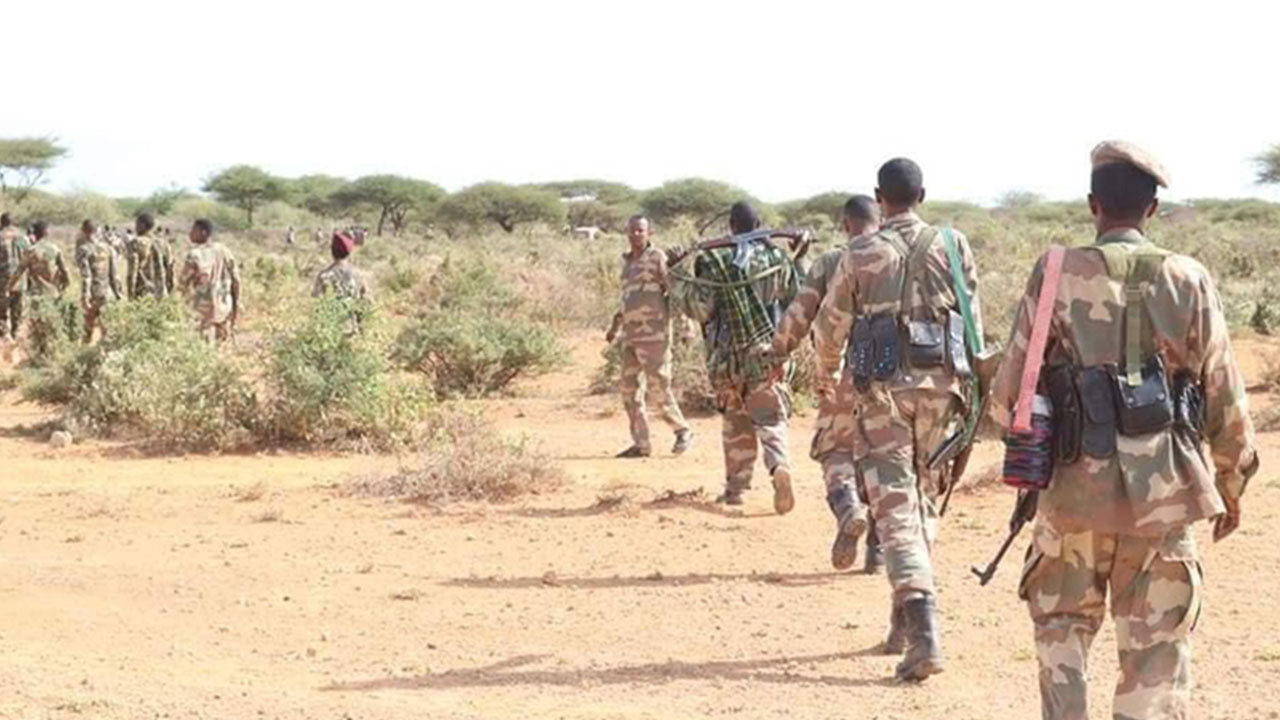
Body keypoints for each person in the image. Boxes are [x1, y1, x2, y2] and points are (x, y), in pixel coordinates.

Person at [989, 141, 1258, 720]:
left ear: (1093, 205)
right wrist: (1231, 486)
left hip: (1071, 498)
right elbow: (1225, 398)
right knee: (1155, 658)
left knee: (1061, 638)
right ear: (1153, 211)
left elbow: (1009, 394)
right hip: (1165, 499)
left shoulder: (1054, 271)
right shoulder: (1189, 278)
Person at [812, 158, 985, 681]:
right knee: (923, 502)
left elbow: (830, 326)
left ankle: (924, 631)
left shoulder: (861, 252)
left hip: (883, 396)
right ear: (922, 195)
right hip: (943, 393)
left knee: (894, 508)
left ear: (878, 197)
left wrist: (825, 379)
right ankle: (902, 624)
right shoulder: (953, 245)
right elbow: (973, 325)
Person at [772, 195, 883, 571]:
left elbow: (802, 312)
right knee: (889, 459)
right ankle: (879, 550)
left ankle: (848, 505)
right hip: (901, 375)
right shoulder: (902, 256)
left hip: (848, 372)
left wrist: (779, 353)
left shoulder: (834, 260)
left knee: (835, 450)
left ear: (846, 224)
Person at [671, 201, 798, 512]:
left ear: (730, 226)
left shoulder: (713, 261)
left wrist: (674, 272)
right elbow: (797, 298)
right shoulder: (778, 257)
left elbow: (700, 309)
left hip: (727, 358)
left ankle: (736, 489)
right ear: (760, 225)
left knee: (735, 421)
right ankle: (778, 465)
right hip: (767, 353)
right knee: (769, 418)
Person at [606, 215, 693, 458]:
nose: (636, 235)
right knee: (629, 391)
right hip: (630, 336)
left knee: (658, 388)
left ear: (649, 233)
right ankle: (641, 444)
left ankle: (682, 430)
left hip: (655, 335)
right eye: (632, 230)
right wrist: (615, 327)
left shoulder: (657, 258)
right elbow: (628, 299)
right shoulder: (627, 264)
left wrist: (686, 326)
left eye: (640, 231)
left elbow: (674, 293)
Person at [177, 218, 240, 344]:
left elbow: (182, 283)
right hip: (224, 305)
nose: (190, 233)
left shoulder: (195, 255)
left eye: (194, 230)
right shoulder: (224, 250)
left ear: (203, 232)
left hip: (204, 310)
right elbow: (236, 280)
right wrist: (236, 302)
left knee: (204, 345)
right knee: (222, 343)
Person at [75, 219, 122, 344]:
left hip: (94, 294)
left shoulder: (84, 250)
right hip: (108, 293)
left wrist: (85, 297)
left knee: (88, 330)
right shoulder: (108, 248)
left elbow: (86, 276)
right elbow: (114, 274)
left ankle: (85, 357)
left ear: (84, 231)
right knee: (107, 329)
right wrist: (118, 294)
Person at [313, 231, 371, 300]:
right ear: (349, 252)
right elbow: (368, 300)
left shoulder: (323, 276)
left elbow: (317, 300)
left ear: (332, 252)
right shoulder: (358, 275)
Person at [0, 212, 30, 342]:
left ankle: (4, 338)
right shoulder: (23, 238)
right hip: (20, 280)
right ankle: (15, 334)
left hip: (3, 280)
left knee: (2, 312)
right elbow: (30, 257)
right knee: (17, 310)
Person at [126, 212, 168, 300]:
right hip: (160, 290)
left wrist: (130, 294)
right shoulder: (163, 243)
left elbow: (132, 271)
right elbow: (169, 267)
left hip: (142, 290)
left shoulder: (136, 243)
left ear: (142, 225)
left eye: (137, 224)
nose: (135, 227)